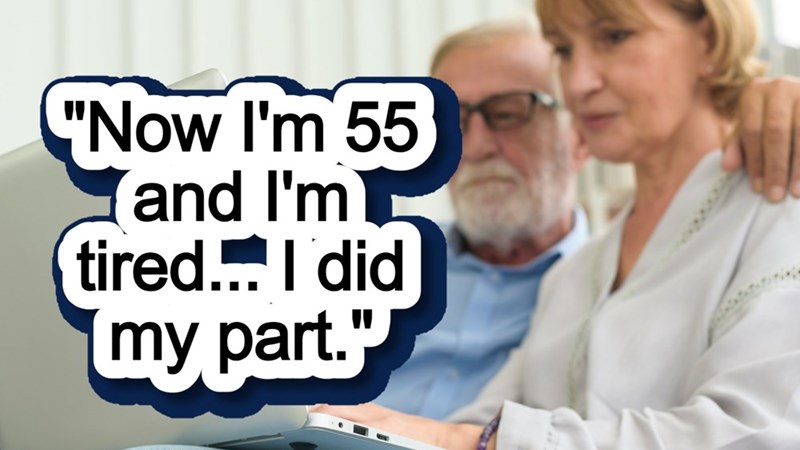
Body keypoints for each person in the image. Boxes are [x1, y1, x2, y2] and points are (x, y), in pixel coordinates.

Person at [315, 0, 800, 448]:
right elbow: (481, 420)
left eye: (614, 36)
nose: (579, 81)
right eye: (564, 50)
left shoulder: (780, 204)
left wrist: (471, 442)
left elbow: (759, 434)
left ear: (710, 40)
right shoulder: (573, 275)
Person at [374, 17, 591, 420]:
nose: (474, 147)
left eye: (508, 113)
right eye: (451, 124)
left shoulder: (614, 287)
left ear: (580, 136)